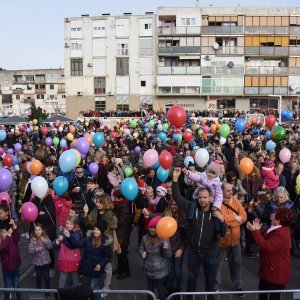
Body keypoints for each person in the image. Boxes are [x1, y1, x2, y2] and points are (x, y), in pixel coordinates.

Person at [172, 168, 227, 295]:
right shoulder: (192, 206)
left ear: (210, 198)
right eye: (200, 197)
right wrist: (175, 179)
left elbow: (223, 232)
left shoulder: (215, 212)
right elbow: (177, 197)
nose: (202, 200)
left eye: (205, 197)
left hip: (210, 252)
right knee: (192, 278)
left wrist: (222, 220)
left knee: (210, 280)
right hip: (194, 251)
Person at [247, 207, 292, 300]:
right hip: (269, 270)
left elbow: (266, 246)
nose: (271, 217)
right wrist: (255, 229)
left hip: (275, 274)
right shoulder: (275, 228)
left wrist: (255, 232)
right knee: (263, 294)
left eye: (273, 215)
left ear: (279, 220)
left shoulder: (281, 234)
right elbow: (263, 236)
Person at [64, 220, 112, 300]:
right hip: (87, 266)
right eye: (95, 229)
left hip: (96, 268)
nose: (96, 231)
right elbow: (77, 244)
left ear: (102, 231)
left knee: (94, 286)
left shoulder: (105, 241)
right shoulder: (88, 239)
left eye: (98, 230)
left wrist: (100, 264)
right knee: (88, 286)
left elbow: (107, 256)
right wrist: (69, 236)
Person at [214, 183, 247, 295]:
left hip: (235, 241)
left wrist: (230, 223)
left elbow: (244, 216)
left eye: (231, 190)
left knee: (237, 264)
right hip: (221, 242)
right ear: (222, 191)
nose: (231, 192)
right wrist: (234, 218)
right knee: (217, 265)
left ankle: (238, 285)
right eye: (228, 190)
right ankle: (215, 286)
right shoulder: (217, 202)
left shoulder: (235, 201)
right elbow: (219, 218)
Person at [138, 216, 172, 300]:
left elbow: (167, 255)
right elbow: (140, 248)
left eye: (155, 228)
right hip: (148, 270)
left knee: (161, 292)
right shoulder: (145, 237)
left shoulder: (164, 238)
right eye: (151, 227)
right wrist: (142, 253)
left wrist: (166, 248)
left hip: (160, 271)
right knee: (150, 292)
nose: (152, 230)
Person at [53, 217, 81, 288]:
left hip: (73, 259)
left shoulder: (77, 233)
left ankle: (75, 292)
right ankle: (61, 294)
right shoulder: (61, 232)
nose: (68, 225)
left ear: (74, 225)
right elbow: (55, 247)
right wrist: (57, 243)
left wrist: (63, 239)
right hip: (63, 258)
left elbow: (72, 245)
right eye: (67, 223)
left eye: (70, 224)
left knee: (75, 277)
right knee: (62, 278)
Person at [112, 189, 132, 280]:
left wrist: (112, 219)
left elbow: (121, 222)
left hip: (122, 235)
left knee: (122, 254)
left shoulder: (124, 208)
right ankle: (120, 269)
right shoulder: (119, 206)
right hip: (119, 234)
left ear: (120, 198)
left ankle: (126, 272)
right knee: (118, 254)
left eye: (115, 197)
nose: (113, 199)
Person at [28, 223, 52, 297]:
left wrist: (45, 241)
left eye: (39, 230)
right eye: (36, 230)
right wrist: (35, 249)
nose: (38, 231)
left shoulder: (45, 237)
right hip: (37, 262)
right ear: (34, 231)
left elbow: (50, 247)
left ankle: (47, 292)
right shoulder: (32, 239)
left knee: (46, 276)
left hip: (46, 261)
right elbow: (30, 250)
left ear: (42, 230)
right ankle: (38, 290)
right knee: (38, 276)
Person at [0, 219, 21, 300]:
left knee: (17, 286)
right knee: (7, 287)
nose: (7, 233)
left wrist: (14, 226)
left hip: (15, 268)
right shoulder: (2, 245)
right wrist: (8, 235)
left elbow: (17, 236)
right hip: (7, 270)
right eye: (4, 233)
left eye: (7, 232)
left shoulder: (13, 241)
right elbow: (3, 248)